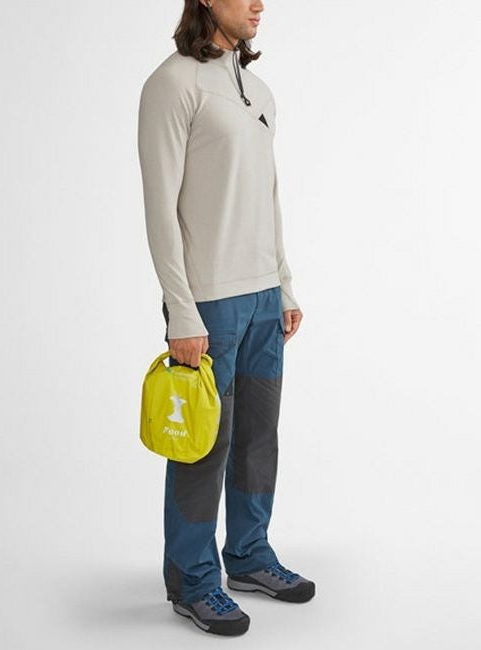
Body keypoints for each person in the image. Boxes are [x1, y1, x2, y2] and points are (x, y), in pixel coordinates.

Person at [137, 0, 315, 636]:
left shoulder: (257, 90)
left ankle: (247, 555)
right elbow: (160, 207)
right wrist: (181, 310)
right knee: (203, 445)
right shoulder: (173, 83)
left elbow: (268, 194)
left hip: (263, 296)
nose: (260, 4)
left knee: (258, 439)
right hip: (208, 301)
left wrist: (284, 284)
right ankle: (191, 579)